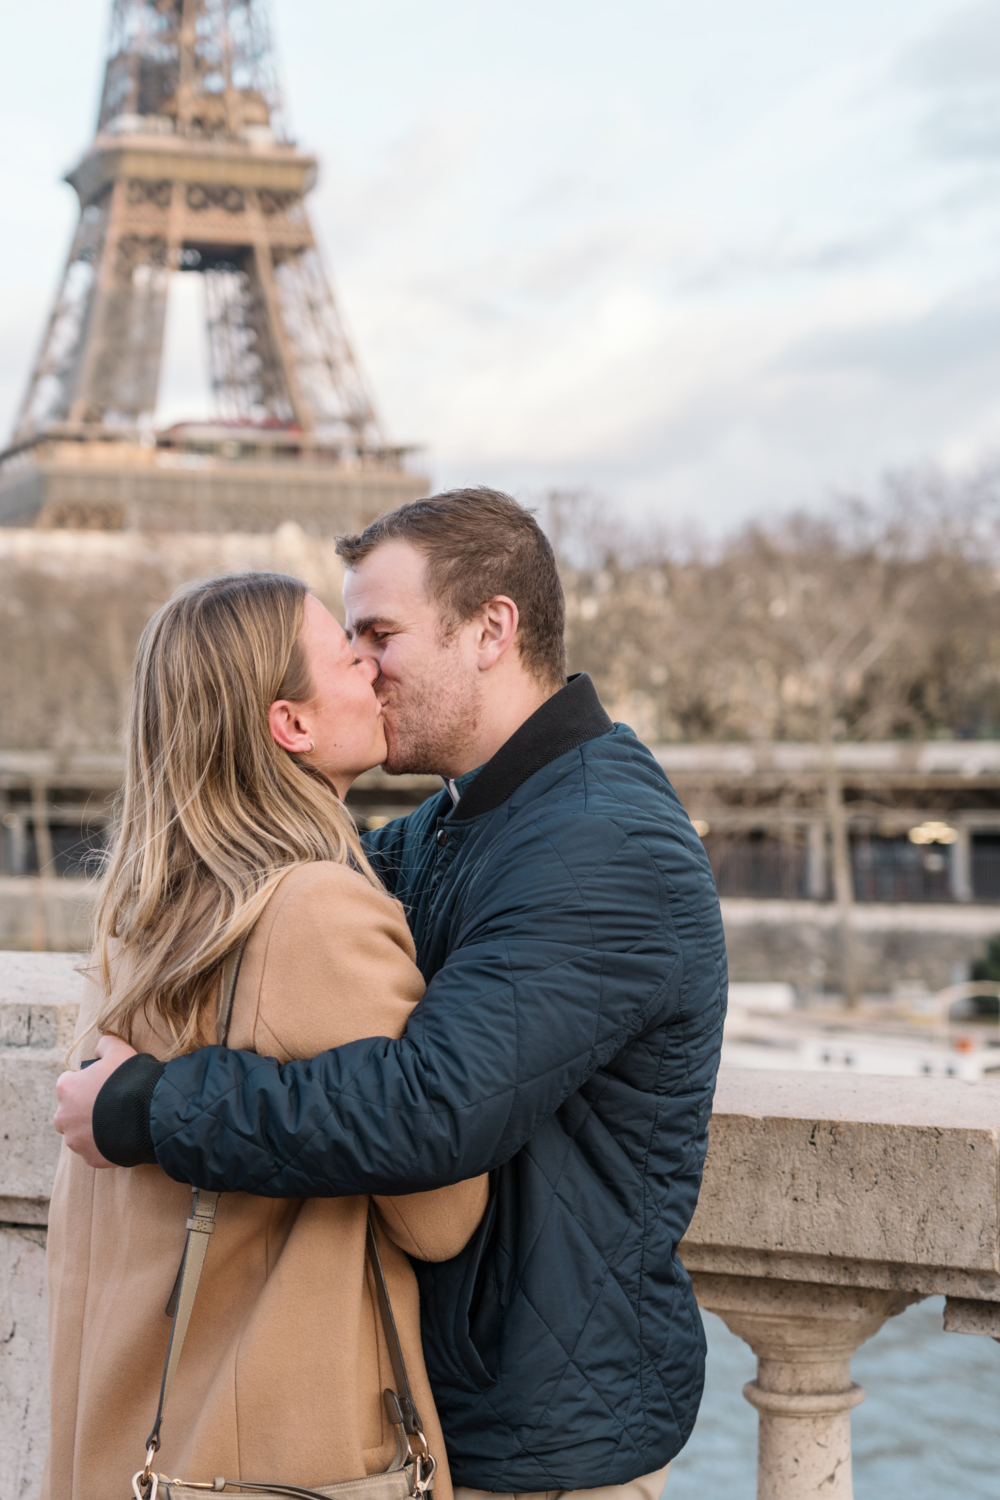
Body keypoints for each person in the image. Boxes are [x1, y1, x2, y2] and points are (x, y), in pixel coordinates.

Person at [56, 488, 728, 1500]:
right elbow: (278, 904)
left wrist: (148, 1105)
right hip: (452, 1406)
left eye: (378, 633)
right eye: (349, 643)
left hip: (536, 1436)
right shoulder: (458, 824)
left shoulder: (601, 841)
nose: (362, 667)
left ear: (491, 628)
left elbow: (428, 1110)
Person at [46, 572, 487, 1500]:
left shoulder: (147, 918)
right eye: (346, 655)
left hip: (134, 1445)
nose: (372, 668)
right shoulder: (317, 913)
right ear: (291, 725)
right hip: (285, 1461)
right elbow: (442, 1215)